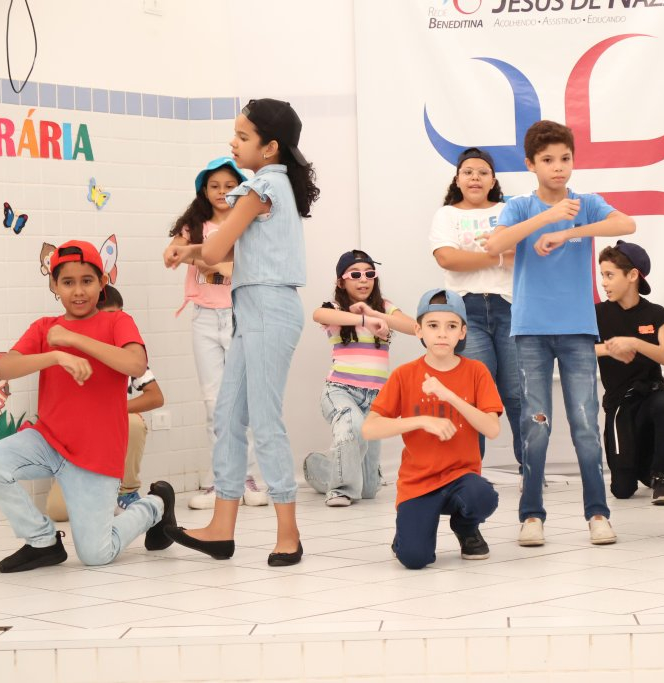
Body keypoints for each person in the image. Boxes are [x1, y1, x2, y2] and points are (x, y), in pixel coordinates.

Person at [163, 98, 320, 565]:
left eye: (243, 136)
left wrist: (194, 251)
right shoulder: (272, 185)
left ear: (270, 147)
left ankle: (288, 533)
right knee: (229, 418)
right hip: (253, 309)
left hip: (268, 308)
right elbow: (229, 252)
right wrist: (191, 253)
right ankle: (221, 529)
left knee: (265, 422)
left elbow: (216, 252)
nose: (233, 143)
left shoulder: (262, 186)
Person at [0, 241, 176, 572]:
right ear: (54, 285)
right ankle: (42, 541)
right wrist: (55, 355)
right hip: (47, 441)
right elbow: (5, 368)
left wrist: (73, 339)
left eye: (87, 281)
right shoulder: (44, 328)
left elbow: (136, 364)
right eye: (68, 282)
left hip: (96, 454)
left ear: (102, 283)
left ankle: (155, 506)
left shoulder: (117, 322)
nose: (78, 291)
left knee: (96, 554)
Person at [485, 119, 636, 547]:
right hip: (530, 331)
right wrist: (548, 217)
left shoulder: (586, 204)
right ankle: (531, 516)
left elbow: (626, 225)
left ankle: (598, 514)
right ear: (530, 164)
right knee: (535, 426)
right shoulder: (519, 206)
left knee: (585, 424)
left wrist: (569, 230)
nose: (558, 167)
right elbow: (494, 246)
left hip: (577, 330)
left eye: (565, 158)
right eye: (548, 159)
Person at [362, 289, 501, 569]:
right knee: (414, 559)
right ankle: (409, 532)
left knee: (483, 496)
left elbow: (492, 429)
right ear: (419, 330)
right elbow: (369, 429)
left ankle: (466, 527)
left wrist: (449, 395)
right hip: (419, 483)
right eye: (433, 326)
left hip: (461, 479)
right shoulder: (404, 374)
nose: (442, 334)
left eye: (451, 326)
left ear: (462, 332)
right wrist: (422, 421)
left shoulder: (476, 371)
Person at [164, 157, 269, 509]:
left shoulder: (247, 223)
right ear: (204, 190)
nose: (222, 192)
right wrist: (204, 259)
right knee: (214, 404)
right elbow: (173, 253)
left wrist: (203, 260)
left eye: (229, 185)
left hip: (240, 315)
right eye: (214, 186)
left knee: (244, 401)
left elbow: (247, 268)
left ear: (240, 187)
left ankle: (248, 477)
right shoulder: (194, 226)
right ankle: (221, 482)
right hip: (205, 320)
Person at [430, 147, 522, 468]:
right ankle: (470, 471)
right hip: (466, 312)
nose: (475, 178)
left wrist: (480, 257)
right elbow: (447, 258)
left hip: (509, 308)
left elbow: (521, 254)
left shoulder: (509, 211)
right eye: (468, 172)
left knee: (517, 393)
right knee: (473, 395)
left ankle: (530, 469)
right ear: (457, 179)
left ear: (493, 180)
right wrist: (496, 256)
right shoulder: (447, 215)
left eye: (483, 172)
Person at [304, 250, 415, 506]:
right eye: (355, 275)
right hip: (340, 390)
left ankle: (317, 467)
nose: (363, 279)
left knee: (368, 489)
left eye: (369, 274)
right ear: (340, 282)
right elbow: (318, 315)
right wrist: (364, 319)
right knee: (351, 425)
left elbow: (414, 327)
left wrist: (375, 314)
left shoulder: (384, 307)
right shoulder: (335, 309)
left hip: (376, 399)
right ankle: (340, 490)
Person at [46, 285, 165, 520]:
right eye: (109, 317)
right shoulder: (70, 355)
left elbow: (155, 396)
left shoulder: (128, 357)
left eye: (119, 315)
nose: (116, 324)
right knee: (58, 511)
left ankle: (126, 493)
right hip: (80, 442)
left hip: (112, 432)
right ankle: (96, 495)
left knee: (133, 423)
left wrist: (114, 410)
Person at [595, 241, 664, 503]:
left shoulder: (656, 314)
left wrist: (635, 343)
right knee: (622, 490)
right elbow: (577, 351)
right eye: (602, 275)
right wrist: (609, 349)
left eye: (610, 275)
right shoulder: (597, 314)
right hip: (620, 404)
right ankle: (642, 468)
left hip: (651, 395)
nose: (604, 283)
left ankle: (662, 477)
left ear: (632, 275)